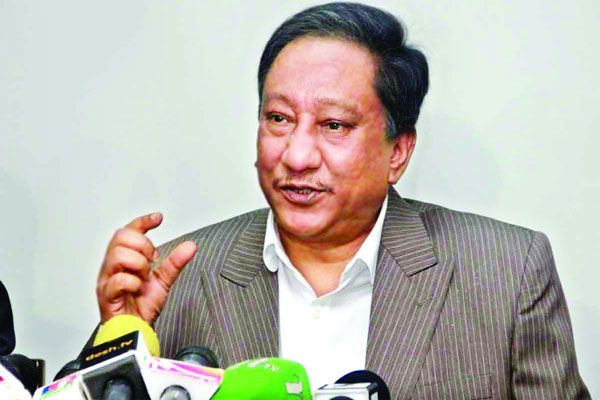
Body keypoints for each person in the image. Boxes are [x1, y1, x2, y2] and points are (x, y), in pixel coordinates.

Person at [93, 2, 589, 398]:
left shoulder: (507, 272)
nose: (297, 155)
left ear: (398, 152)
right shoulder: (174, 280)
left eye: (333, 125)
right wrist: (119, 342)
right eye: (279, 119)